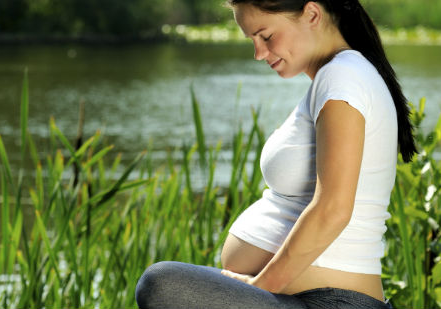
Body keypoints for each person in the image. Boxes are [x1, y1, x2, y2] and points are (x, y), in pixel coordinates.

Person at [135, 0, 416, 308]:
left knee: (160, 284)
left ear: (311, 14)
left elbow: (333, 209)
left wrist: (260, 286)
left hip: (328, 302)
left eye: (266, 36)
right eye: (252, 40)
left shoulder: (343, 77)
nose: (258, 53)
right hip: (306, 298)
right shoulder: (343, 75)